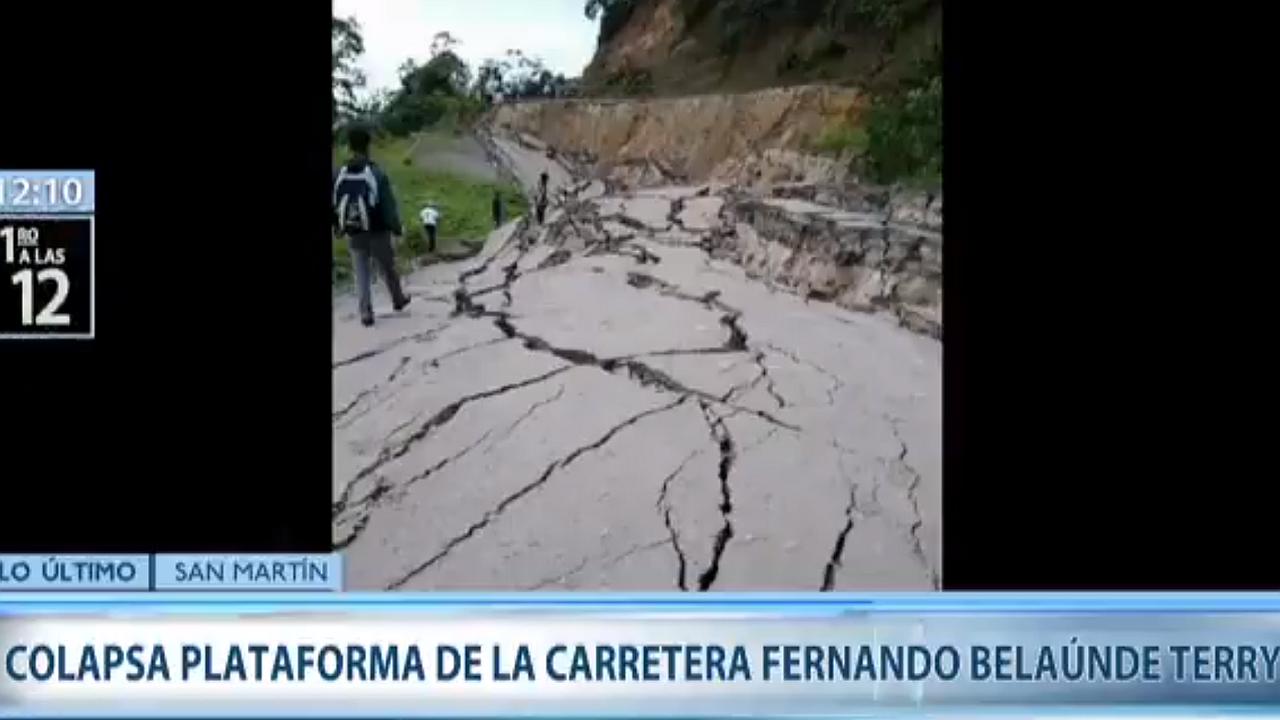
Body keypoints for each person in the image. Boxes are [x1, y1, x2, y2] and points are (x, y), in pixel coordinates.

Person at [333, 125, 410, 327]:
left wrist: (338, 227)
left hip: (354, 230)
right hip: (377, 231)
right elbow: (387, 205)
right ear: (368, 145)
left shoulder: (340, 173)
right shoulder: (376, 172)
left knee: (361, 273)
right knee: (387, 267)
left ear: (349, 146)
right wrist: (396, 227)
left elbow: (336, 201)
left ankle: (365, 312)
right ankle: (398, 299)